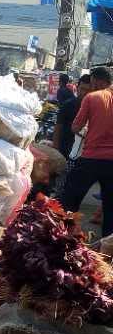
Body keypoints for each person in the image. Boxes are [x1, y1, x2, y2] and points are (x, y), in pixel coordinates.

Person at [60, 66, 113, 236]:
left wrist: (87, 130)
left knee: (69, 200)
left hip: (91, 158)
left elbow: (76, 127)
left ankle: (63, 236)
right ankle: (107, 251)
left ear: (96, 81)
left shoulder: (92, 97)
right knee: (110, 210)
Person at [53, 74, 92, 158]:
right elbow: (58, 127)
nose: (84, 93)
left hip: (82, 152)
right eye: (82, 89)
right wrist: (55, 150)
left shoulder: (94, 108)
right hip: (65, 148)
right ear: (77, 88)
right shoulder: (67, 105)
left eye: (88, 90)